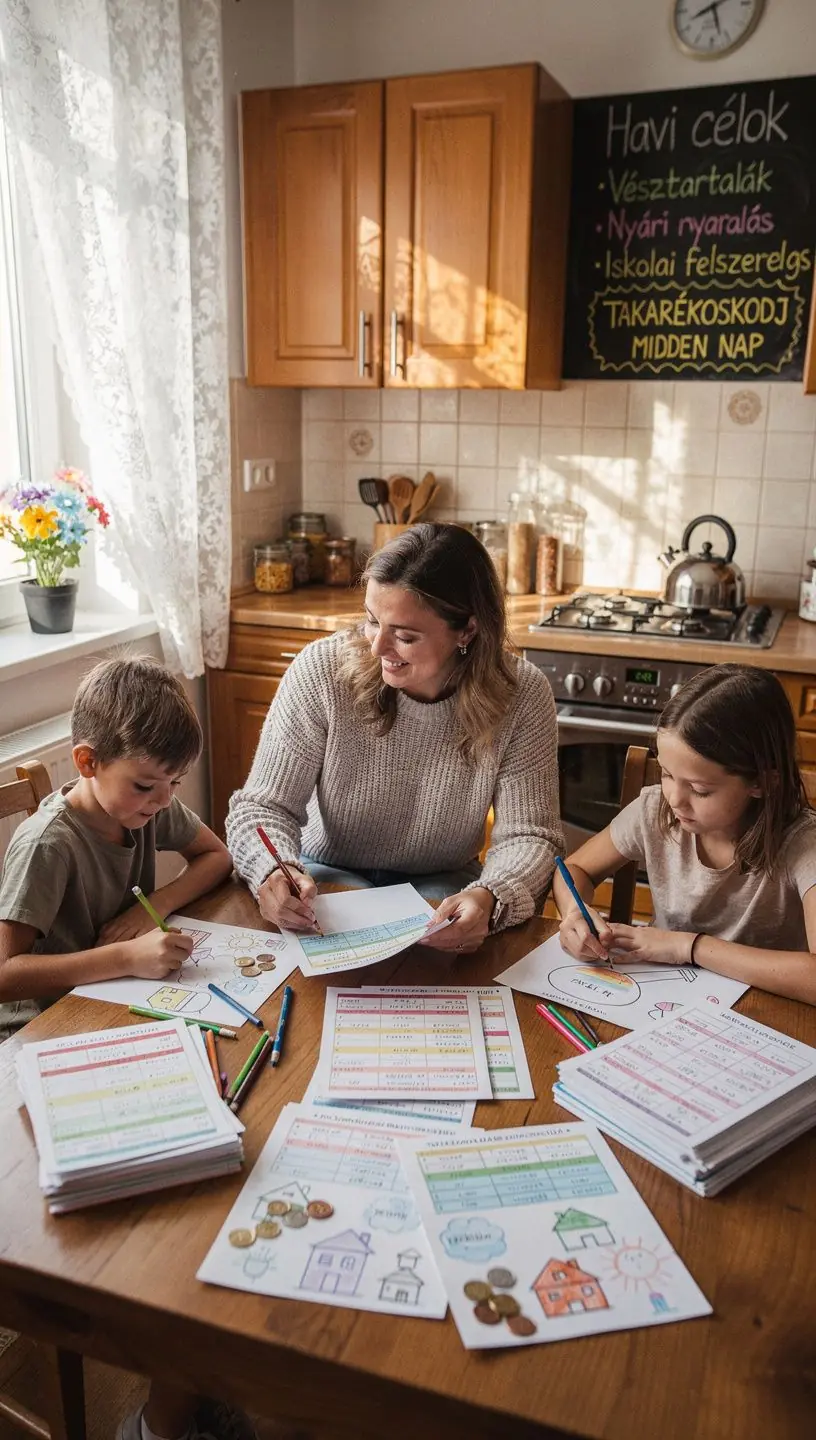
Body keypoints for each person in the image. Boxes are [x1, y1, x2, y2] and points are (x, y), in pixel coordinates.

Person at [0, 656, 241, 1440]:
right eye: (147, 787)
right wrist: (120, 959)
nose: (163, 804)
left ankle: (186, 1372)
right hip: (40, 1041)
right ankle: (162, 1369)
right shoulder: (49, 844)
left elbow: (217, 855)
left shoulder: (144, 804)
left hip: (116, 1013)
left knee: (224, 1130)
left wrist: (153, 912)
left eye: (173, 786)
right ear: (87, 763)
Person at [227, 522, 563, 950]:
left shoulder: (522, 694)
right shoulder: (321, 671)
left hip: (443, 889)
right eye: (371, 621)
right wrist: (272, 870)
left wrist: (491, 895)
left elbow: (529, 835)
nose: (377, 646)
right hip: (324, 880)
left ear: (468, 631)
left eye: (404, 636)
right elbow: (262, 806)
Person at [554, 664, 816, 1006]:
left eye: (699, 789)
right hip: (661, 1000)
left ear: (762, 782)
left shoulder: (803, 845)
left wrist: (687, 946)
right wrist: (576, 914)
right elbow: (575, 870)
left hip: (765, 1014)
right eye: (666, 774)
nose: (674, 799)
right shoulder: (654, 811)